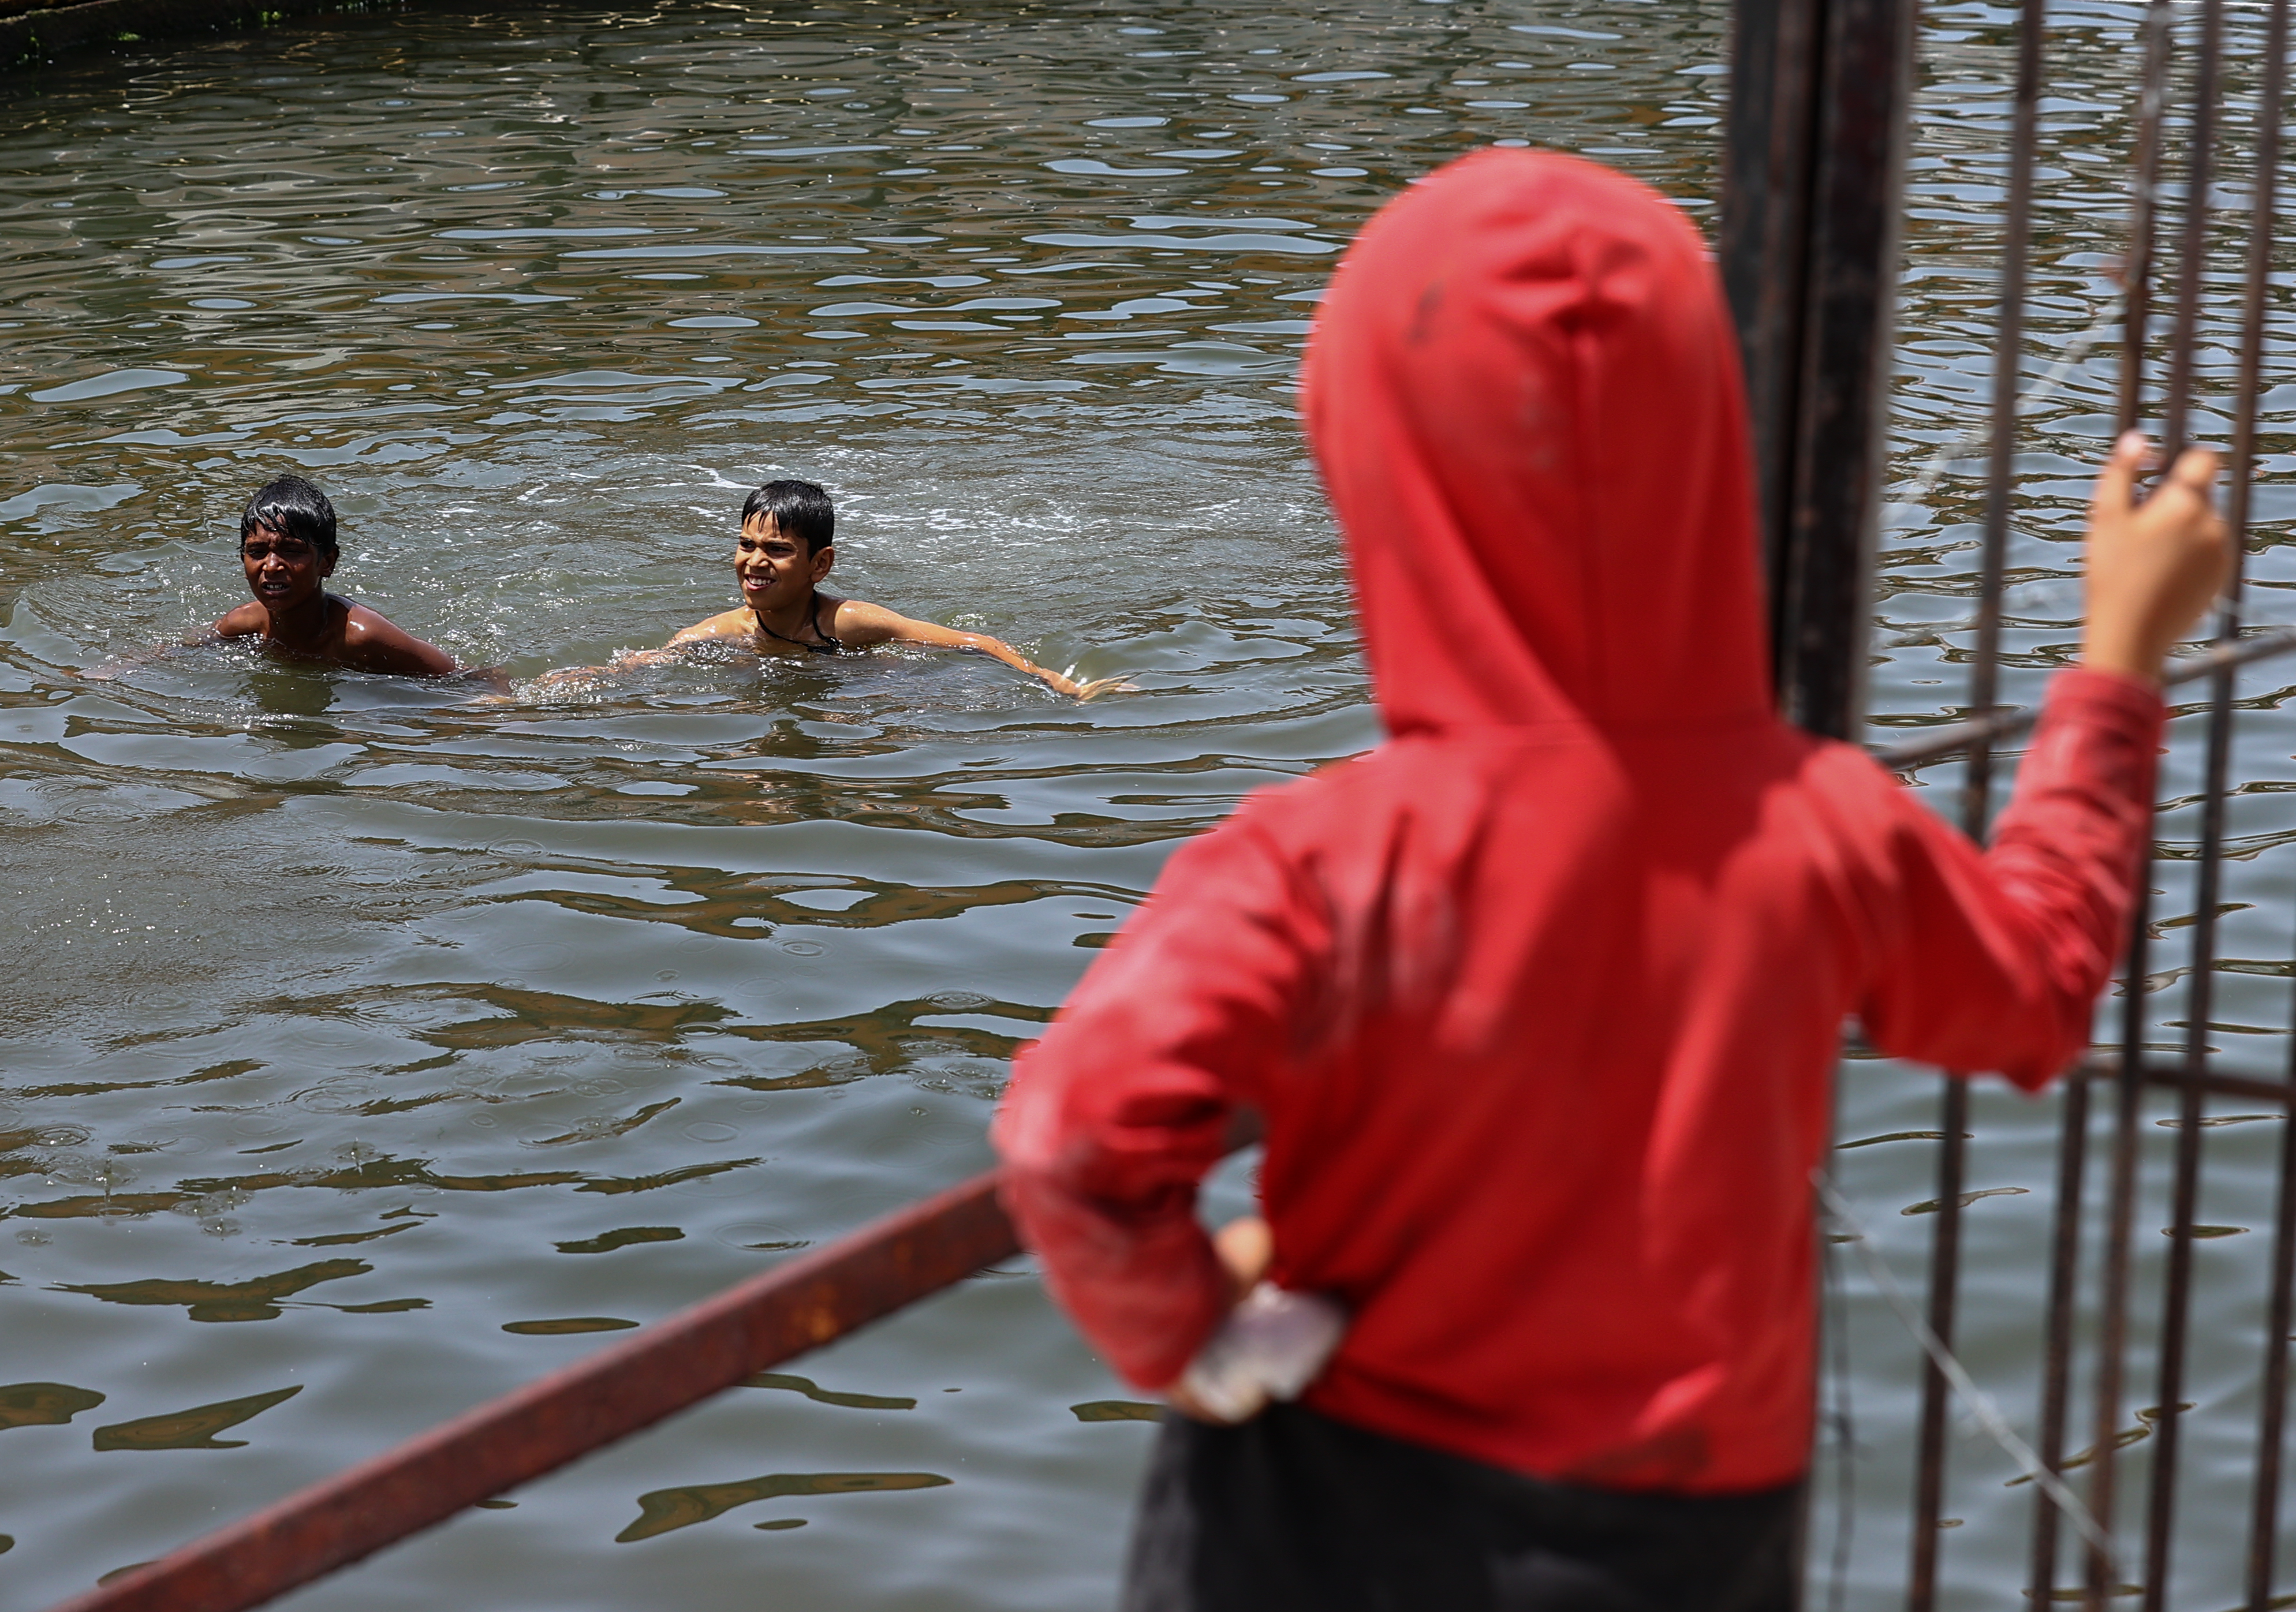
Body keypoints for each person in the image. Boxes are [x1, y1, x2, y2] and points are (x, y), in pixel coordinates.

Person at [989, 149, 2230, 1612]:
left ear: (1369, 461)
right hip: (1692, 1541)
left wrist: (1197, 1332)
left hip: (1332, 1523)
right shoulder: (1826, 822)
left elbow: (1073, 1141)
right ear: (1714, 442)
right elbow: (2035, 991)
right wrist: (2113, 666)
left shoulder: (1319, 855)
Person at [516, 480, 1128, 700]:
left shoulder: (848, 623)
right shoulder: (722, 633)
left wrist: (1058, 682)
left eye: (777, 551)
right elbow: (647, 663)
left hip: (859, 671)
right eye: (746, 546)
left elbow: (974, 642)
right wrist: (560, 686)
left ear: (820, 564)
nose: (754, 563)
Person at [207, 475, 506, 690]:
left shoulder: (361, 637)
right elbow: (184, 649)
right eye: (257, 553)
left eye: (293, 552)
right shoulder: (244, 622)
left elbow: (470, 677)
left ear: (327, 562)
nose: (271, 566)